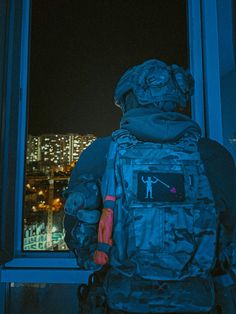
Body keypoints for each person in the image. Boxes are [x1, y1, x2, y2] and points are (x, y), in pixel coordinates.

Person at [64, 59, 236, 314]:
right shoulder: (214, 156)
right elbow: (229, 234)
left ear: (130, 99)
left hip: (119, 302)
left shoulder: (101, 153)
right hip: (200, 302)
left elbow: (77, 240)